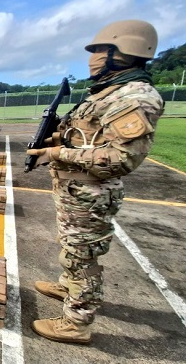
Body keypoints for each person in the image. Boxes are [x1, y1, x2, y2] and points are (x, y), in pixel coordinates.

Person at [26, 20, 164, 344]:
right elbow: (86, 136)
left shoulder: (134, 97)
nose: (93, 58)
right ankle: (69, 287)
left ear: (125, 51)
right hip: (78, 191)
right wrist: (58, 135)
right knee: (73, 252)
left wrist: (57, 152)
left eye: (101, 50)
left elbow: (121, 159)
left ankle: (77, 322)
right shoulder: (107, 92)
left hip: (92, 193)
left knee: (83, 256)